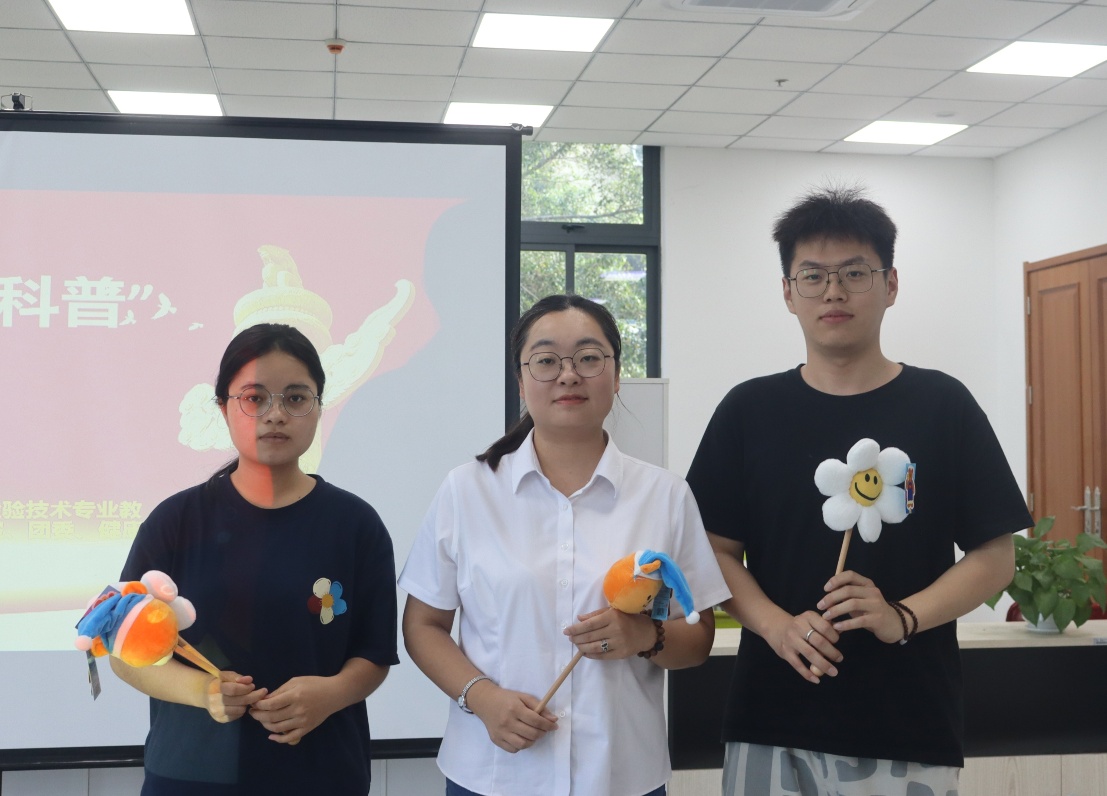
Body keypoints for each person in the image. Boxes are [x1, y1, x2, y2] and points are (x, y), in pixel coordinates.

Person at [686, 187, 1033, 795]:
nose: (833, 291)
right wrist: (776, 626)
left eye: (854, 273)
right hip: (771, 718)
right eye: (813, 276)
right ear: (788, 292)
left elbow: (994, 557)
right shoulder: (748, 410)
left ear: (890, 284)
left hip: (907, 724)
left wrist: (903, 616)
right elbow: (710, 552)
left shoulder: (943, 405)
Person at [399, 294, 730, 796]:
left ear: (616, 377)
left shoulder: (664, 496)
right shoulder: (467, 491)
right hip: (492, 775)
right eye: (547, 360)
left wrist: (644, 636)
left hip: (621, 776)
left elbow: (698, 636)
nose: (569, 375)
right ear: (521, 381)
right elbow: (423, 626)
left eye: (589, 357)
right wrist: (481, 697)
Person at [111, 323, 398, 795]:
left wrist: (330, 694)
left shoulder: (355, 524)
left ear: (318, 407)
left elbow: (373, 653)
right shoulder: (175, 521)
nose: (275, 414)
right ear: (224, 408)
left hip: (320, 772)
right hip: (192, 775)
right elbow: (124, 652)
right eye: (254, 398)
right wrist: (202, 692)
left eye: (296, 398)